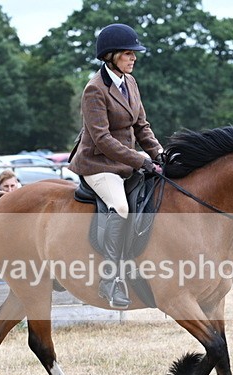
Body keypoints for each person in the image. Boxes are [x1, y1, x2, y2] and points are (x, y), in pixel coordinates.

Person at [67, 22, 163, 309]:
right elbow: (102, 139)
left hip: (125, 165)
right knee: (120, 208)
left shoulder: (130, 83)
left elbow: (142, 126)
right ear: (110, 56)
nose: (134, 58)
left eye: (134, 54)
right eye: (128, 53)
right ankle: (110, 281)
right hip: (98, 165)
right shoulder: (94, 89)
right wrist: (141, 160)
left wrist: (159, 153)